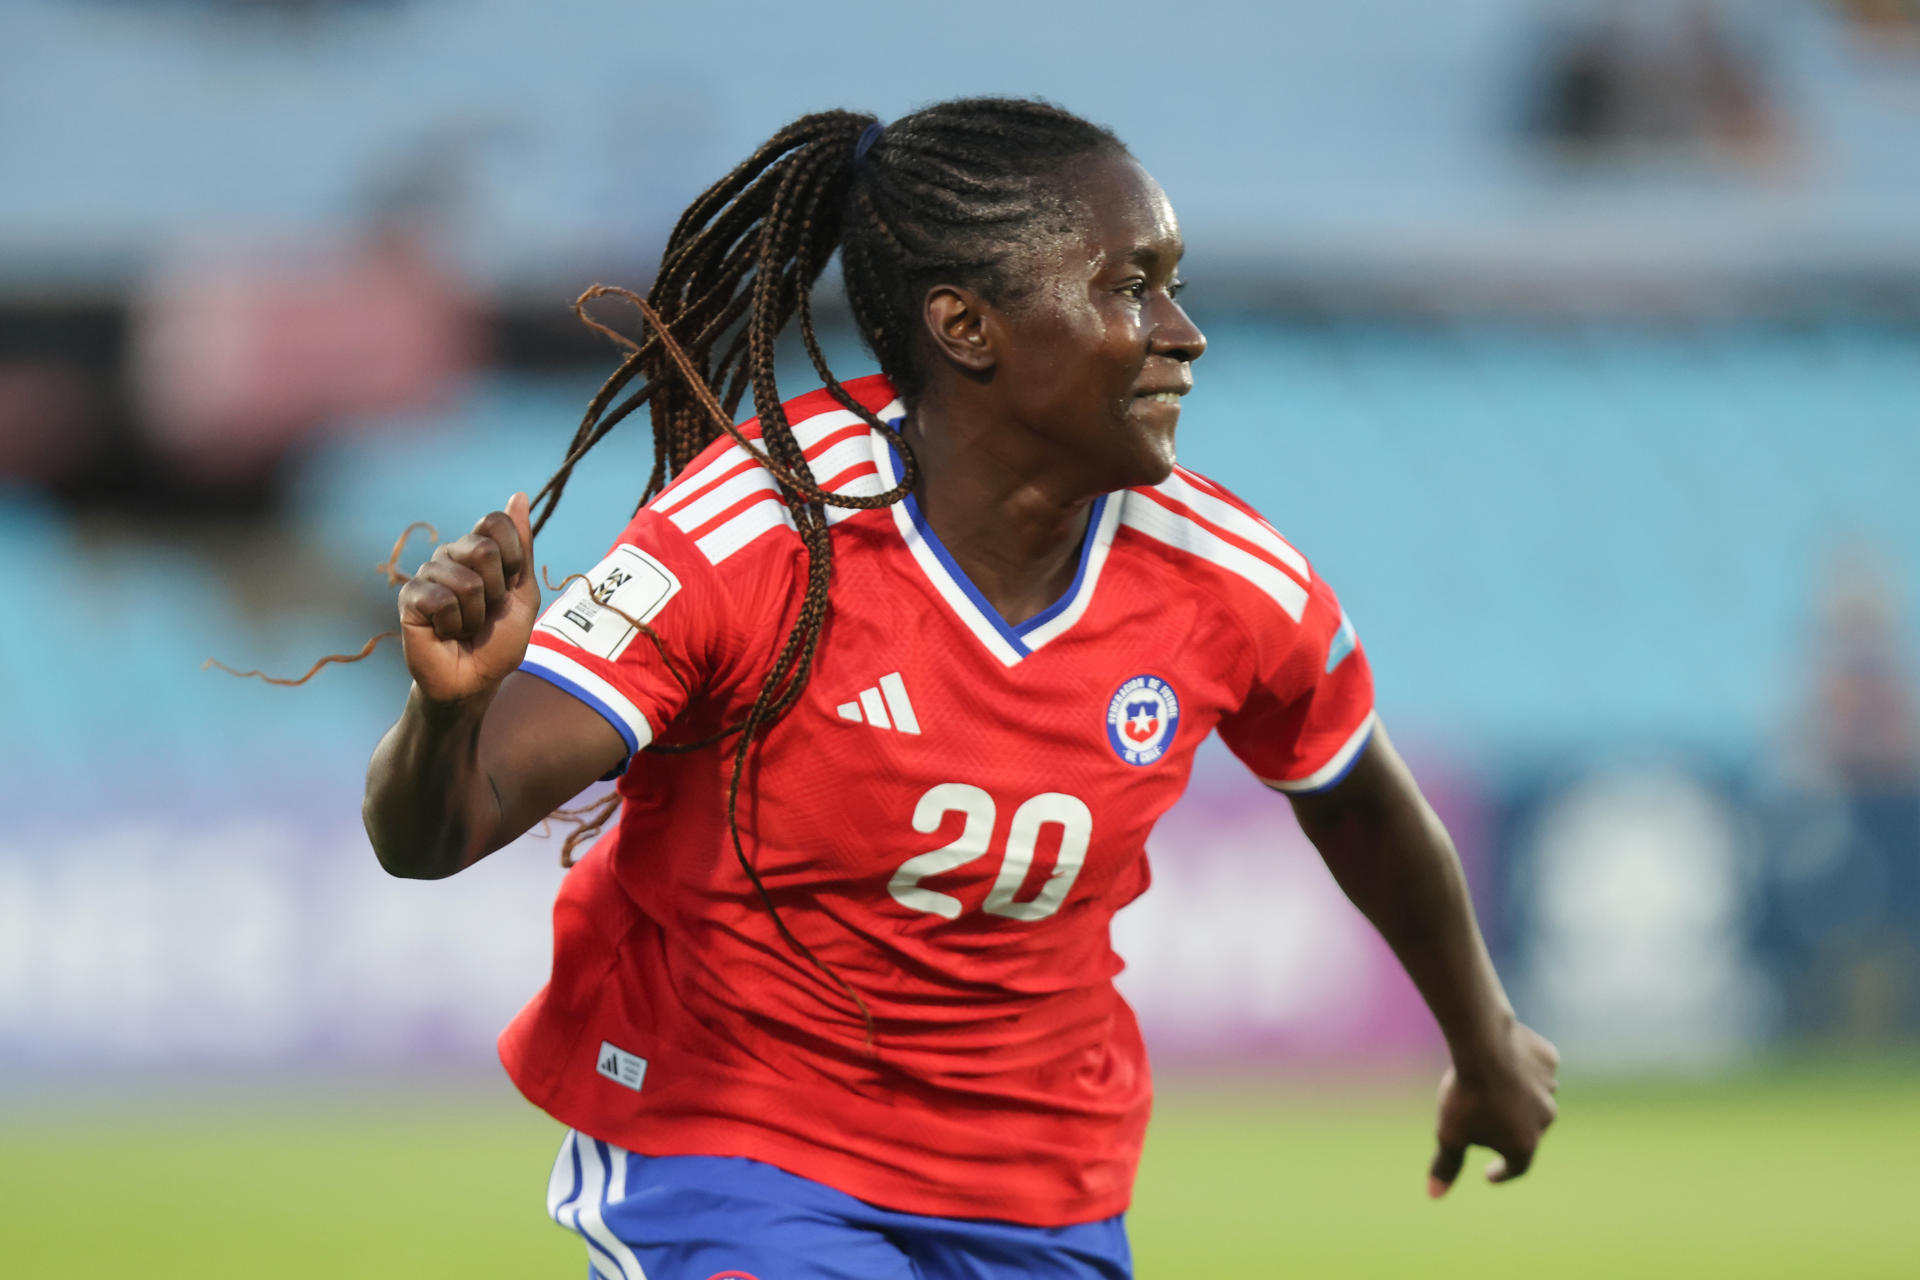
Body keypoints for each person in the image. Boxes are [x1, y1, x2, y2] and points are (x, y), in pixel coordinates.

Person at [363, 98, 1558, 1279]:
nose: (1184, 332)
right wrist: (448, 711)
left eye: (1174, 285)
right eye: (1130, 287)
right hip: (731, 1145)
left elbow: (1360, 800)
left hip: (1040, 1184)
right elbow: (439, 828)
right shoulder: (753, 533)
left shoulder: (1232, 583)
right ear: (967, 326)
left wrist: (1485, 1038)